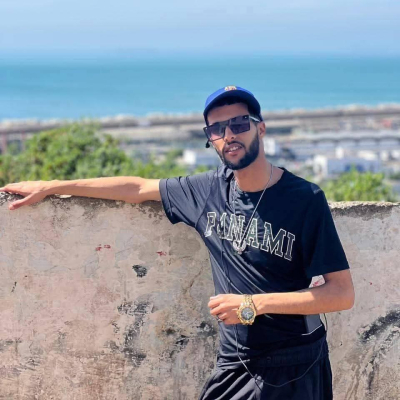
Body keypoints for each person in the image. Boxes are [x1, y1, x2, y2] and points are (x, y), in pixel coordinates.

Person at [0, 86, 355, 399]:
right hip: (235, 361)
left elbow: (341, 294)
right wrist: (52, 186)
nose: (229, 135)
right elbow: (137, 188)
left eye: (239, 124)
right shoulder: (207, 190)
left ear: (260, 128)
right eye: (217, 129)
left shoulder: (304, 199)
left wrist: (252, 305)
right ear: (210, 139)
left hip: (294, 364)